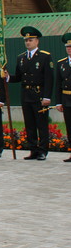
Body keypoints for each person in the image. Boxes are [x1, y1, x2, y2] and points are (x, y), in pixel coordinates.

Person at [6, 26, 54, 161]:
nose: (28, 42)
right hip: (26, 95)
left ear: (37, 41)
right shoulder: (21, 58)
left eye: (30, 40)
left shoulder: (45, 56)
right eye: (26, 40)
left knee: (41, 125)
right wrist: (8, 77)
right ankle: (33, 150)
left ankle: (43, 151)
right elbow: (19, 77)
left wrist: (47, 97)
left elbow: (49, 78)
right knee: (30, 125)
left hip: (39, 95)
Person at [56, 32, 71, 162]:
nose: (69, 49)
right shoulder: (61, 63)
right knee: (69, 127)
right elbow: (58, 84)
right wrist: (58, 102)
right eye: (67, 47)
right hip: (66, 99)